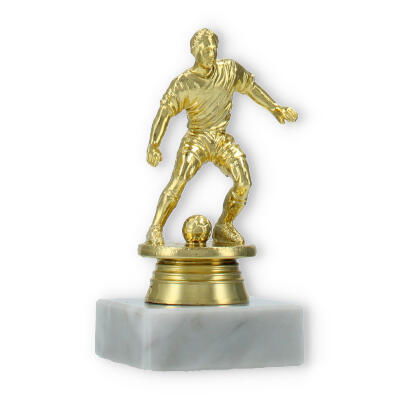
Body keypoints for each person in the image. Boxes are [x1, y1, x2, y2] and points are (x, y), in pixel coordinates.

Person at [145, 28, 297, 245]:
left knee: (244, 182)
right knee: (178, 181)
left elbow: (251, 88)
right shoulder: (184, 83)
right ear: (194, 51)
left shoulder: (229, 70)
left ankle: (224, 225)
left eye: (213, 48)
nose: (211, 52)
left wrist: (275, 108)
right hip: (197, 138)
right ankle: (155, 228)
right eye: (206, 49)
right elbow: (164, 113)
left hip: (221, 139)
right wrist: (154, 145)